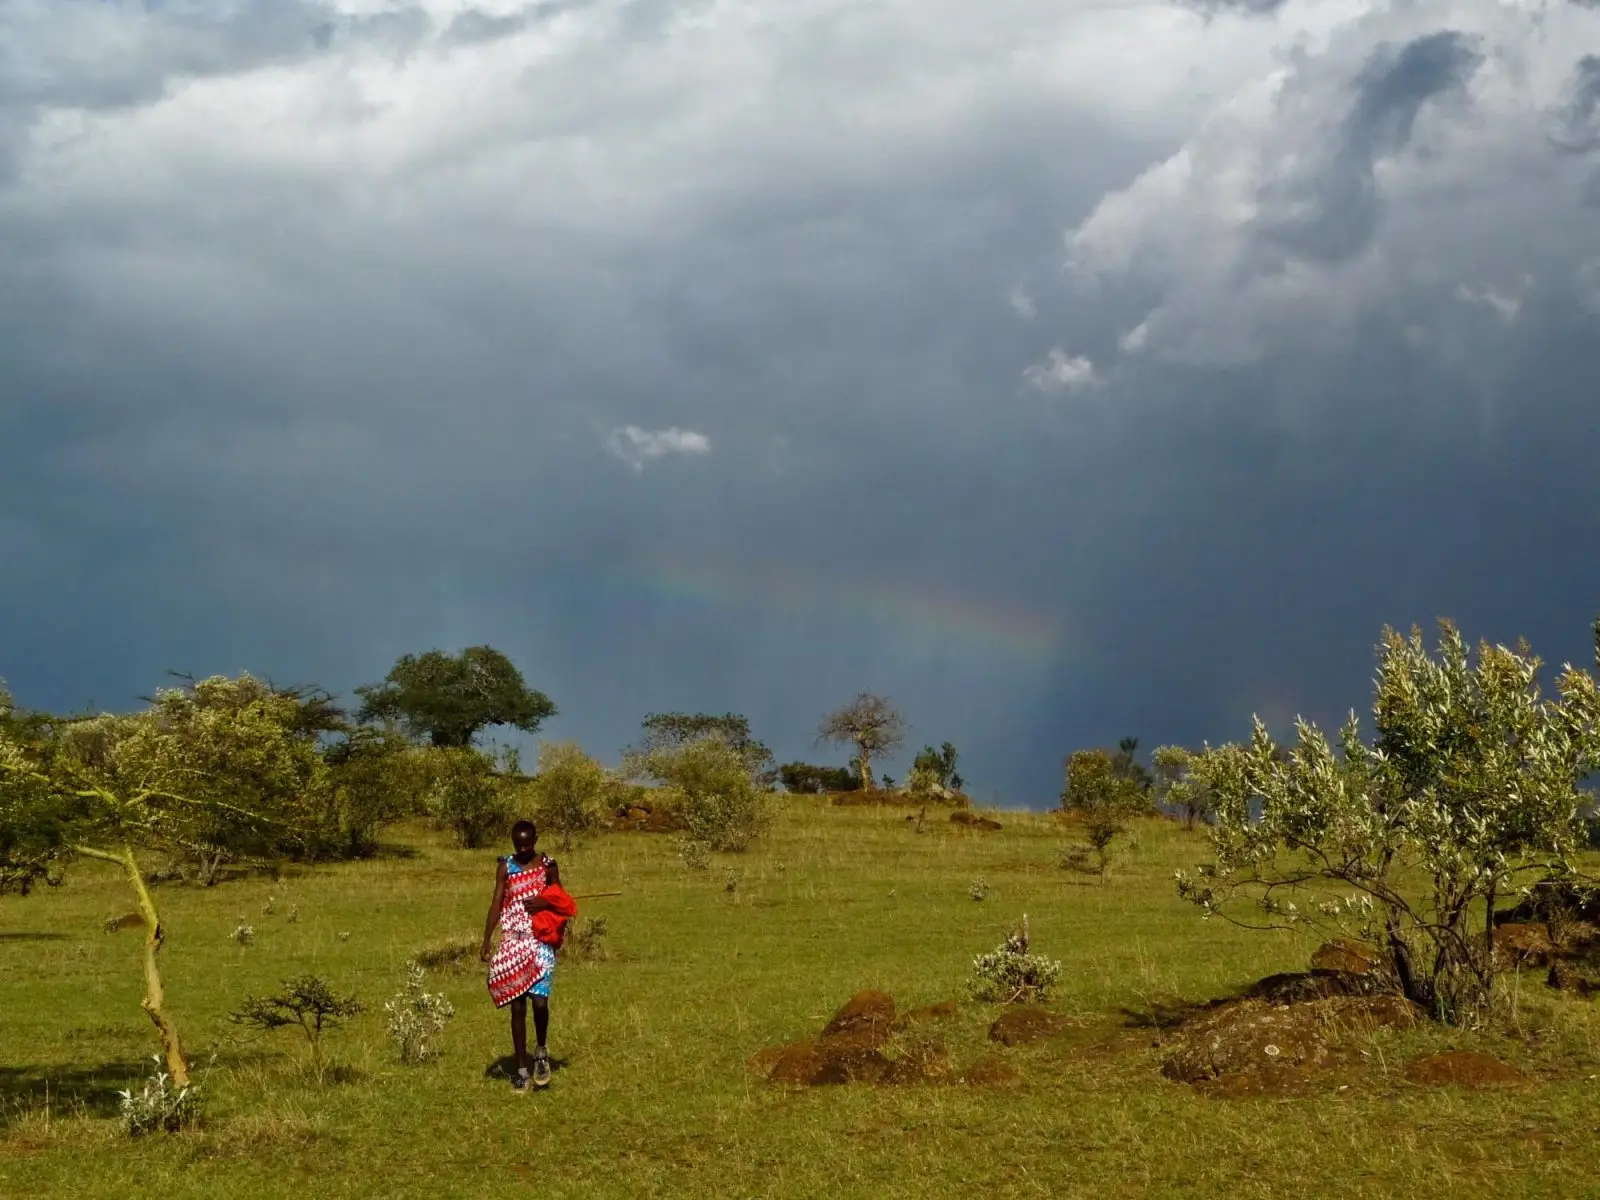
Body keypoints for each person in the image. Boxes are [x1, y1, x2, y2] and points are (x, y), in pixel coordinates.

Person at [480, 819, 577, 1091]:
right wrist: (487, 938)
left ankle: (542, 1052)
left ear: (536, 840)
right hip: (513, 941)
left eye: (527, 844)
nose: (523, 849)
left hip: (541, 940)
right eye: (518, 845)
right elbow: (496, 902)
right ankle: (522, 1070)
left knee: (540, 1004)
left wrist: (545, 903)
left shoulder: (548, 865)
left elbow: (562, 900)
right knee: (518, 1006)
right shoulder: (505, 867)